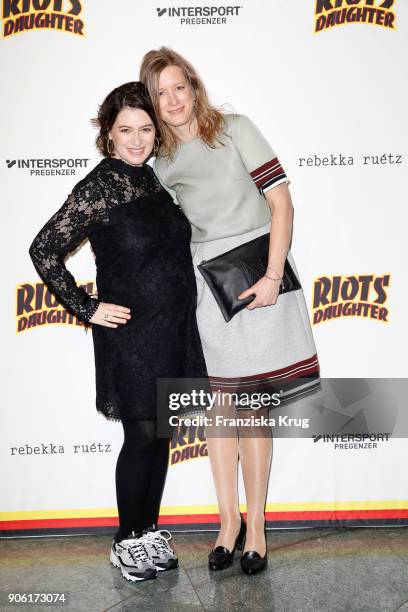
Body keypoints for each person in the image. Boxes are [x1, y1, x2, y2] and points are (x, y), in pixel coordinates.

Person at [140, 48, 320, 575]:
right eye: (160, 94)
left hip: (258, 274)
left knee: (252, 412)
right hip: (207, 290)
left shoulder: (236, 128)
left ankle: (258, 530)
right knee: (221, 414)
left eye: (179, 87)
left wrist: (270, 276)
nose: (172, 101)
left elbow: (281, 203)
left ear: (193, 85)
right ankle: (227, 525)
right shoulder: (161, 161)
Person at [29, 81, 207, 583]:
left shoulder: (154, 181)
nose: (136, 139)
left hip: (173, 330)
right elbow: (43, 248)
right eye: (125, 130)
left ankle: (148, 530)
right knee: (141, 434)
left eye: (146, 129)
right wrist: (86, 307)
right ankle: (125, 541)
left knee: (162, 435)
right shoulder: (100, 187)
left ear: (156, 134)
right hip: (130, 335)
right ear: (108, 134)